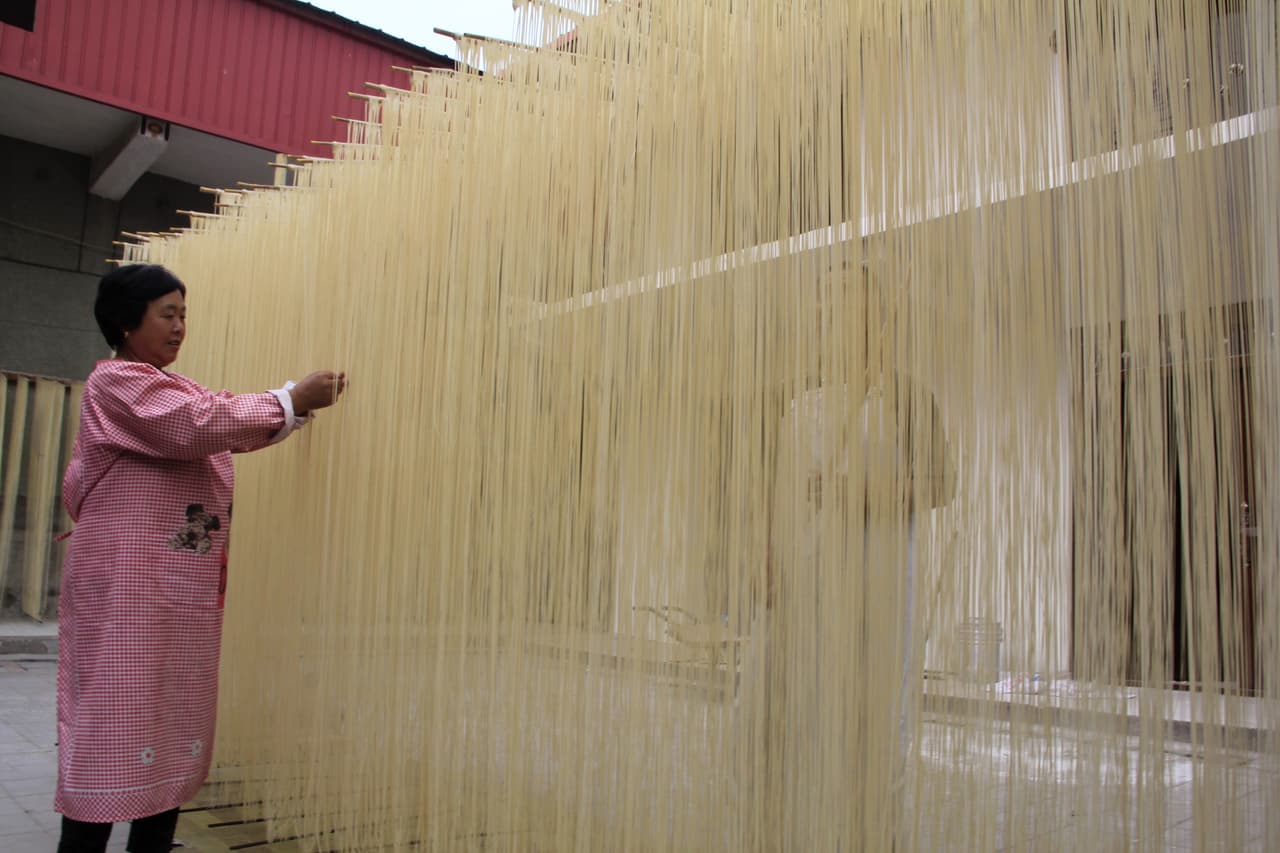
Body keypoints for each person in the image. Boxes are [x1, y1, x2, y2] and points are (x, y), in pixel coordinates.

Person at [54, 264, 347, 853]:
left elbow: (224, 420)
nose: (180, 326)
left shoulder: (172, 387)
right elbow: (200, 425)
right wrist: (289, 397)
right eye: (168, 313)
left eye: (184, 314)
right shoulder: (118, 384)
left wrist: (293, 407)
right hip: (127, 595)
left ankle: (153, 841)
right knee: (113, 717)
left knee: (168, 715)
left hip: (172, 593)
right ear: (125, 321)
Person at [750, 264, 955, 849]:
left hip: (878, 595)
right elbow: (780, 489)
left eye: (838, 296)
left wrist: (862, 495)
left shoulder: (907, 394)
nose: (824, 311)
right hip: (806, 589)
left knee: (870, 735)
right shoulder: (800, 402)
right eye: (821, 299)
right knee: (796, 729)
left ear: (871, 311)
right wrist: (765, 551)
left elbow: (943, 484)